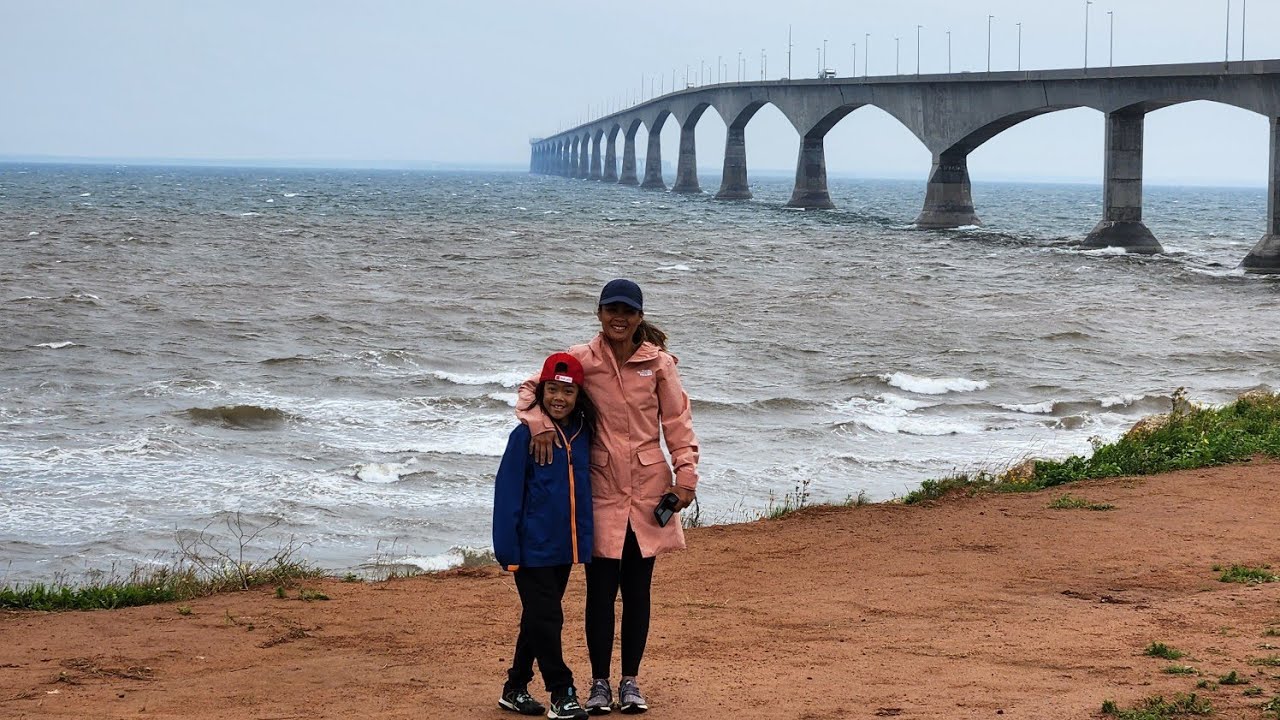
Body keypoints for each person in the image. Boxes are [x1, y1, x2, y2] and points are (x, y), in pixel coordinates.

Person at [518, 278, 700, 715]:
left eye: (628, 311)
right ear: (599, 313)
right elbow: (531, 389)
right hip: (599, 490)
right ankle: (599, 684)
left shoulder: (659, 364)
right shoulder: (581, 359)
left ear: (639, 317)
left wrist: (686, 478)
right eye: (611, 309)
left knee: (638, 591)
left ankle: (630, 682)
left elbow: (677, 422)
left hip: (650, 490)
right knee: (599, 592)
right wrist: (539, 424)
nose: (619, 318)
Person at [494, 352, 597, 719]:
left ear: (578, 396)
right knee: (549, 617)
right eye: (552, 390)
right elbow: (507, 494)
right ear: (541, 392)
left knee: (537, 618)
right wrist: (507, 549)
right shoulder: (525, 435)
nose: (559, 398)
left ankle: (515, 687)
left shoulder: (583, 433)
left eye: (568, 392)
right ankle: (561, 691)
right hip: (530, 547)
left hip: (563, 547)